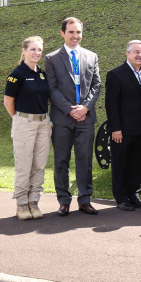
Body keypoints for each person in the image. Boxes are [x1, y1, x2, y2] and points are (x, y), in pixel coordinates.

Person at [45, 17, 101, 217]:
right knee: (61, 160)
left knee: (85, 159)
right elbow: (51, 89)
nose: (75, 36)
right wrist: (70, 109)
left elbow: (96, 85)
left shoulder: (91, 56)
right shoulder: (51, 58)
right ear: (62, 33)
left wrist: (84, 108)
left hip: (86, 117)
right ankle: (64, 201)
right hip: (62, 118)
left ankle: (85, 200)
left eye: (78, 32)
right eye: (71, 32)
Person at [3, 35, 51, 220]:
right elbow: (8, 102)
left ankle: (34, 202)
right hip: (24, 123)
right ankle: (22, 204)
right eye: (33, 49)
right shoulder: (17, 74)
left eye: (39, 49)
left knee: (39, 165)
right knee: (24, 165)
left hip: (43, 123)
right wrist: (19, 119)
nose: (37, 53)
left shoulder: (42, 73)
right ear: (24, 51)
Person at [105, 40, 141, 212]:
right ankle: (122, 197)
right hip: (121, 130)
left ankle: (134, 195)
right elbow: (111, 104)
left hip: (140, 129)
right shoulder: (116, 74)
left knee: (138, 165)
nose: (139, 55)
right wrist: (115, 128)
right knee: (121, 164)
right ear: (127, 53)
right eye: (136, 52)